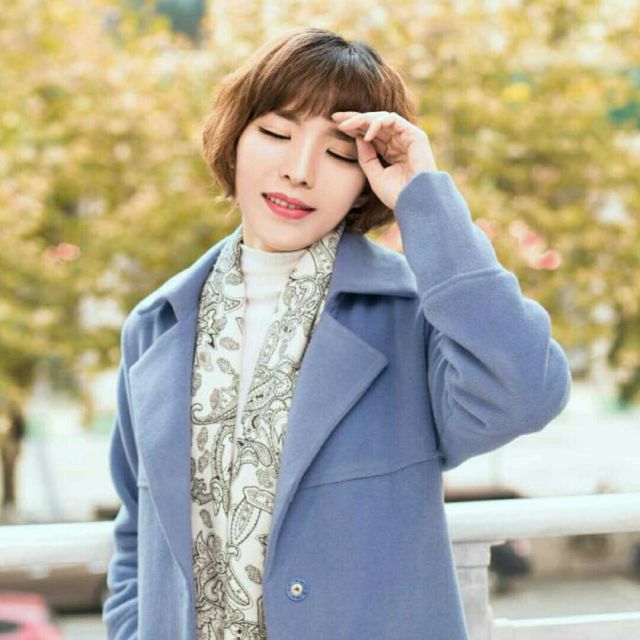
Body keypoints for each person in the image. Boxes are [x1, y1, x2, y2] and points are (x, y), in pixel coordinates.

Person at [102, 27, 572, 640]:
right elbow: (138, 533)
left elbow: (527, 392)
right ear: (235, 139)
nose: (299, 171)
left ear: (365, 180)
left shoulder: (409, 317)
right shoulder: (156, 324)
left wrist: (424, 200)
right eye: (276, 133)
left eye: (340, 153)